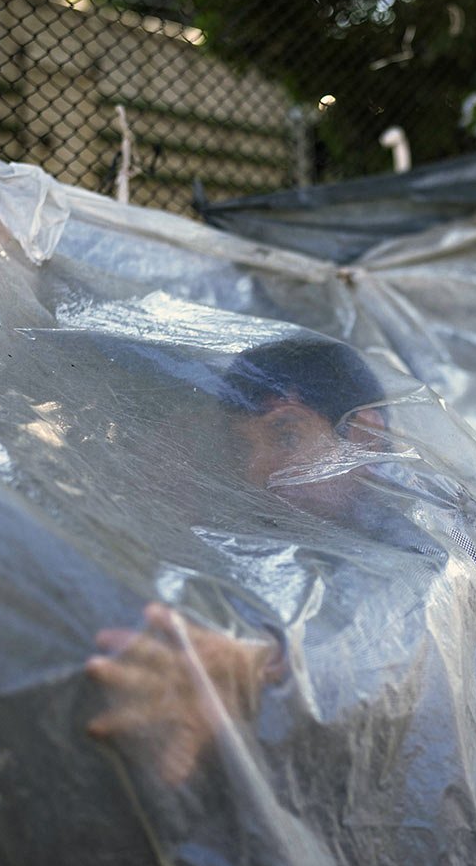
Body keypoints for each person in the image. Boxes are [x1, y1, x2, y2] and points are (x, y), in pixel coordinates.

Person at [84, 336, 432, 786]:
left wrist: (262, 668)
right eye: (243, 448)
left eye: (286, 435)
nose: (256, 470)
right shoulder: (288, 534)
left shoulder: (427, 529)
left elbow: (408, 628)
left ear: (364, 435)